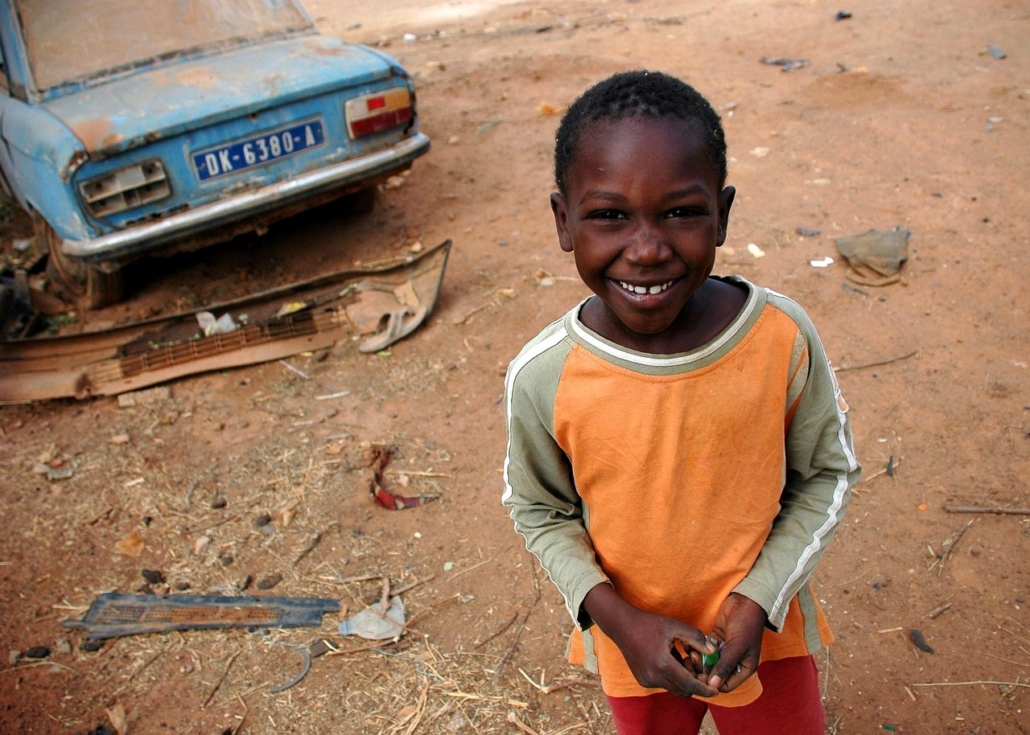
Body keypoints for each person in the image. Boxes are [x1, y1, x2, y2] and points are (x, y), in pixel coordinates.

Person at [501, 70, 860, 735]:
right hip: (633, 645)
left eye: (681, 212)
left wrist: (760, 598)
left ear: (722, 213)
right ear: (563, 220)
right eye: (610, 215)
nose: (647, 248)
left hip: (765, 637)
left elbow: (827, 475)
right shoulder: (544, 375)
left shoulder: (779, 338)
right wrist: (619, 620)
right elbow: (539, 510)